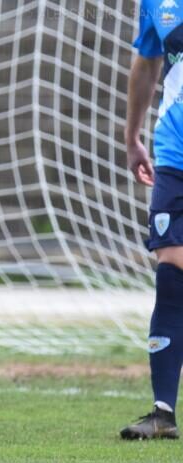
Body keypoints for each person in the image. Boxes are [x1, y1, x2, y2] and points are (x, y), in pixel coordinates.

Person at [120, 0, 183, 440]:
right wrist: (132, 137)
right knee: (171, 272)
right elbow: (147, 62)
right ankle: (163, 412)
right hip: (175, 153)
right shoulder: (157, 4)